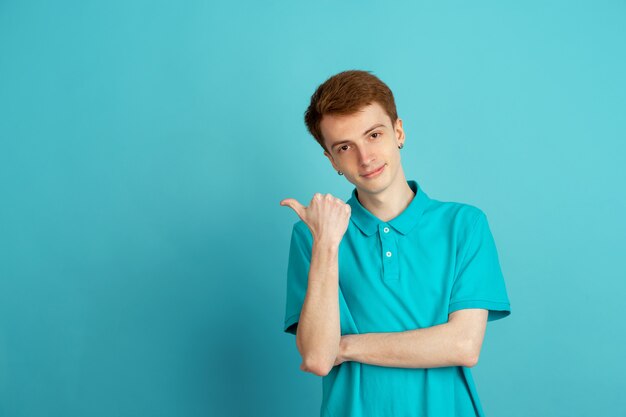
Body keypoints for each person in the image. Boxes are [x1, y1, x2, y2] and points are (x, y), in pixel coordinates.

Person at [279, 69, 511, 417]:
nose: (365, 157)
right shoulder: (313, 235)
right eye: (345, 147)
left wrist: (345, 347)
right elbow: (316, 357)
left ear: (398, 131)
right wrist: (326, 244)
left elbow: (463, 344)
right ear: (332, 160)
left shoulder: (465, 225)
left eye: (374, 135)